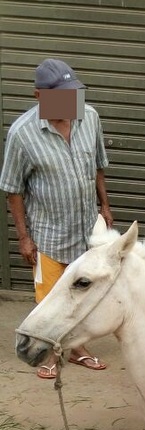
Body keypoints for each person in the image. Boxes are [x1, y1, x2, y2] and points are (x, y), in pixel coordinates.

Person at [0, 58, 113, 379]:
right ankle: (47, 353)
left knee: (82, 294)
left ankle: (77, 349)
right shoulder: (22, 134)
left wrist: (104, 206)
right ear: (39, 96)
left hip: (86, 232)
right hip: (49, 235)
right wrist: (24, 237)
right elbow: (13, 190)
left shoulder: (89, 117)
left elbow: (98, 166)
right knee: (49, 300)